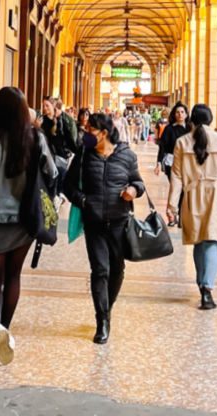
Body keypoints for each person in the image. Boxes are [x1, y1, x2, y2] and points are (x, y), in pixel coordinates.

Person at [0, 85, 57, 365]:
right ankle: (5, 327)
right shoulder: (34, 138)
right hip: (25, 220)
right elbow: (52, 172)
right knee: (14, 277)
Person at [62, 111, 145, 345]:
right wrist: (84, 202)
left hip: (120, 222)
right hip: (94, 222)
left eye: (91, 130)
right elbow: (67, 186)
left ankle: (107, 308)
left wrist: (133, 191)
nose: (86, 134)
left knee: (117, 270)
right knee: (100, 270)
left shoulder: (126, 155)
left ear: (104, 133)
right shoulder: (84, 155)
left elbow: (138, 182)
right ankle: (102, 321)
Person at [167, 103, 217, 310]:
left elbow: (177, 176)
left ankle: (202, 284)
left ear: (192, 120)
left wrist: (172, 205)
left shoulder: (182, 142)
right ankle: (207, 289)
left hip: (193, 195)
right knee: (212, 241)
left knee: (199, 240)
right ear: (209, 120)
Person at [155, 102, 190, 224]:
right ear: (174, 114)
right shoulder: (169, 129)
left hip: (188, 164)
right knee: (176, 188)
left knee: (185, 189)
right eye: (177, 112)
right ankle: (173, 215)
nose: (180, 114)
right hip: (172, 163)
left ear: (186, 114)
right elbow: (162, 147)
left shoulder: (190, 128)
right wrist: (159, 163)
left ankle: (181, 215)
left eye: (182, 112)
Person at [40, 97, 78, 180]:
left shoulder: (61, 121)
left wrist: (77, 152)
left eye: (47, 105)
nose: (44, 108)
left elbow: (69, 139)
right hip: (47, 156)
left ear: (53, 105)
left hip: (60, 156)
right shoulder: (42, 121)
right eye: (43, 106)